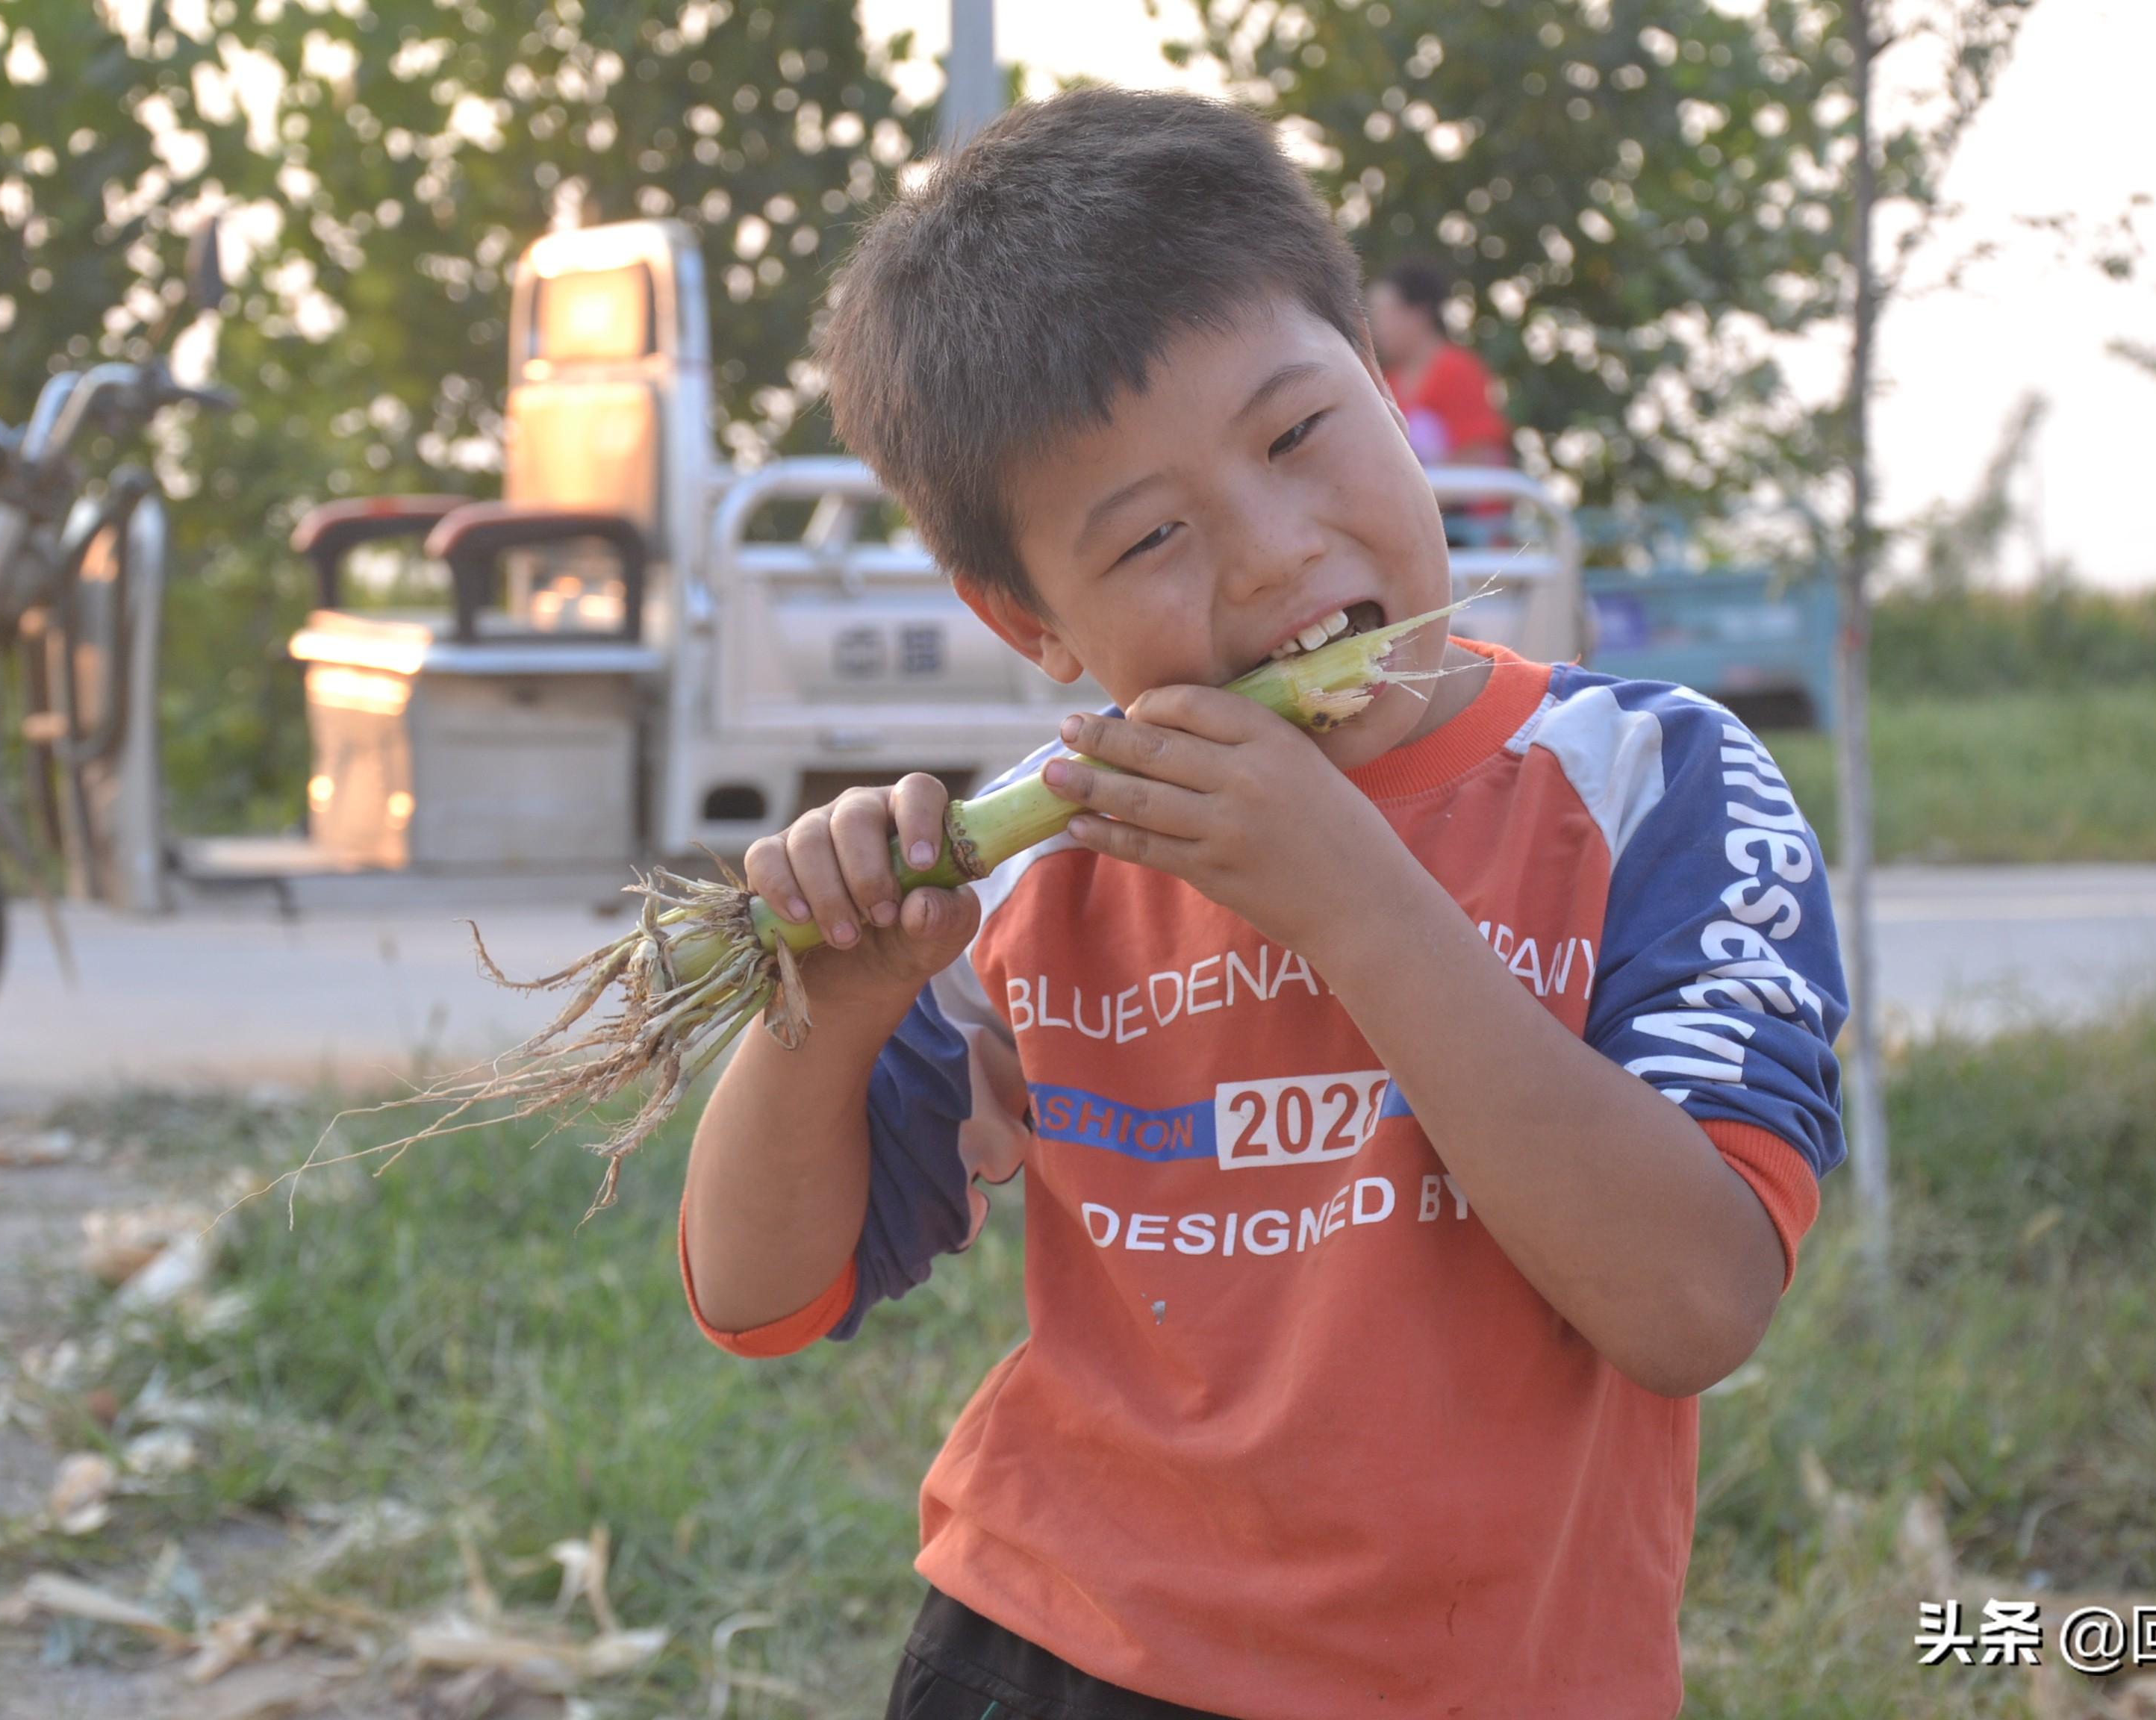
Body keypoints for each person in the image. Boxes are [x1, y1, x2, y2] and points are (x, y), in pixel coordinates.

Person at [679, 89, 1847, 1719]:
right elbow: (759, 1293)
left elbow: (1694, 1301)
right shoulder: (1038, 866)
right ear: (1030, 621)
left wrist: (1355, 904)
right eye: (1150, 536)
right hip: (1048, 1654)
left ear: (1384, 381)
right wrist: (831, 1012)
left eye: (1301, 434)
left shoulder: (1654, 782)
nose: (1270, 556)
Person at [1366, 258, 1511, 467]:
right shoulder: (1384, 381)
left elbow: (1484, 455)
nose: (1376, 328)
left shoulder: (1458, 370)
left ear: (1419, 313)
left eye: (1385, 314)